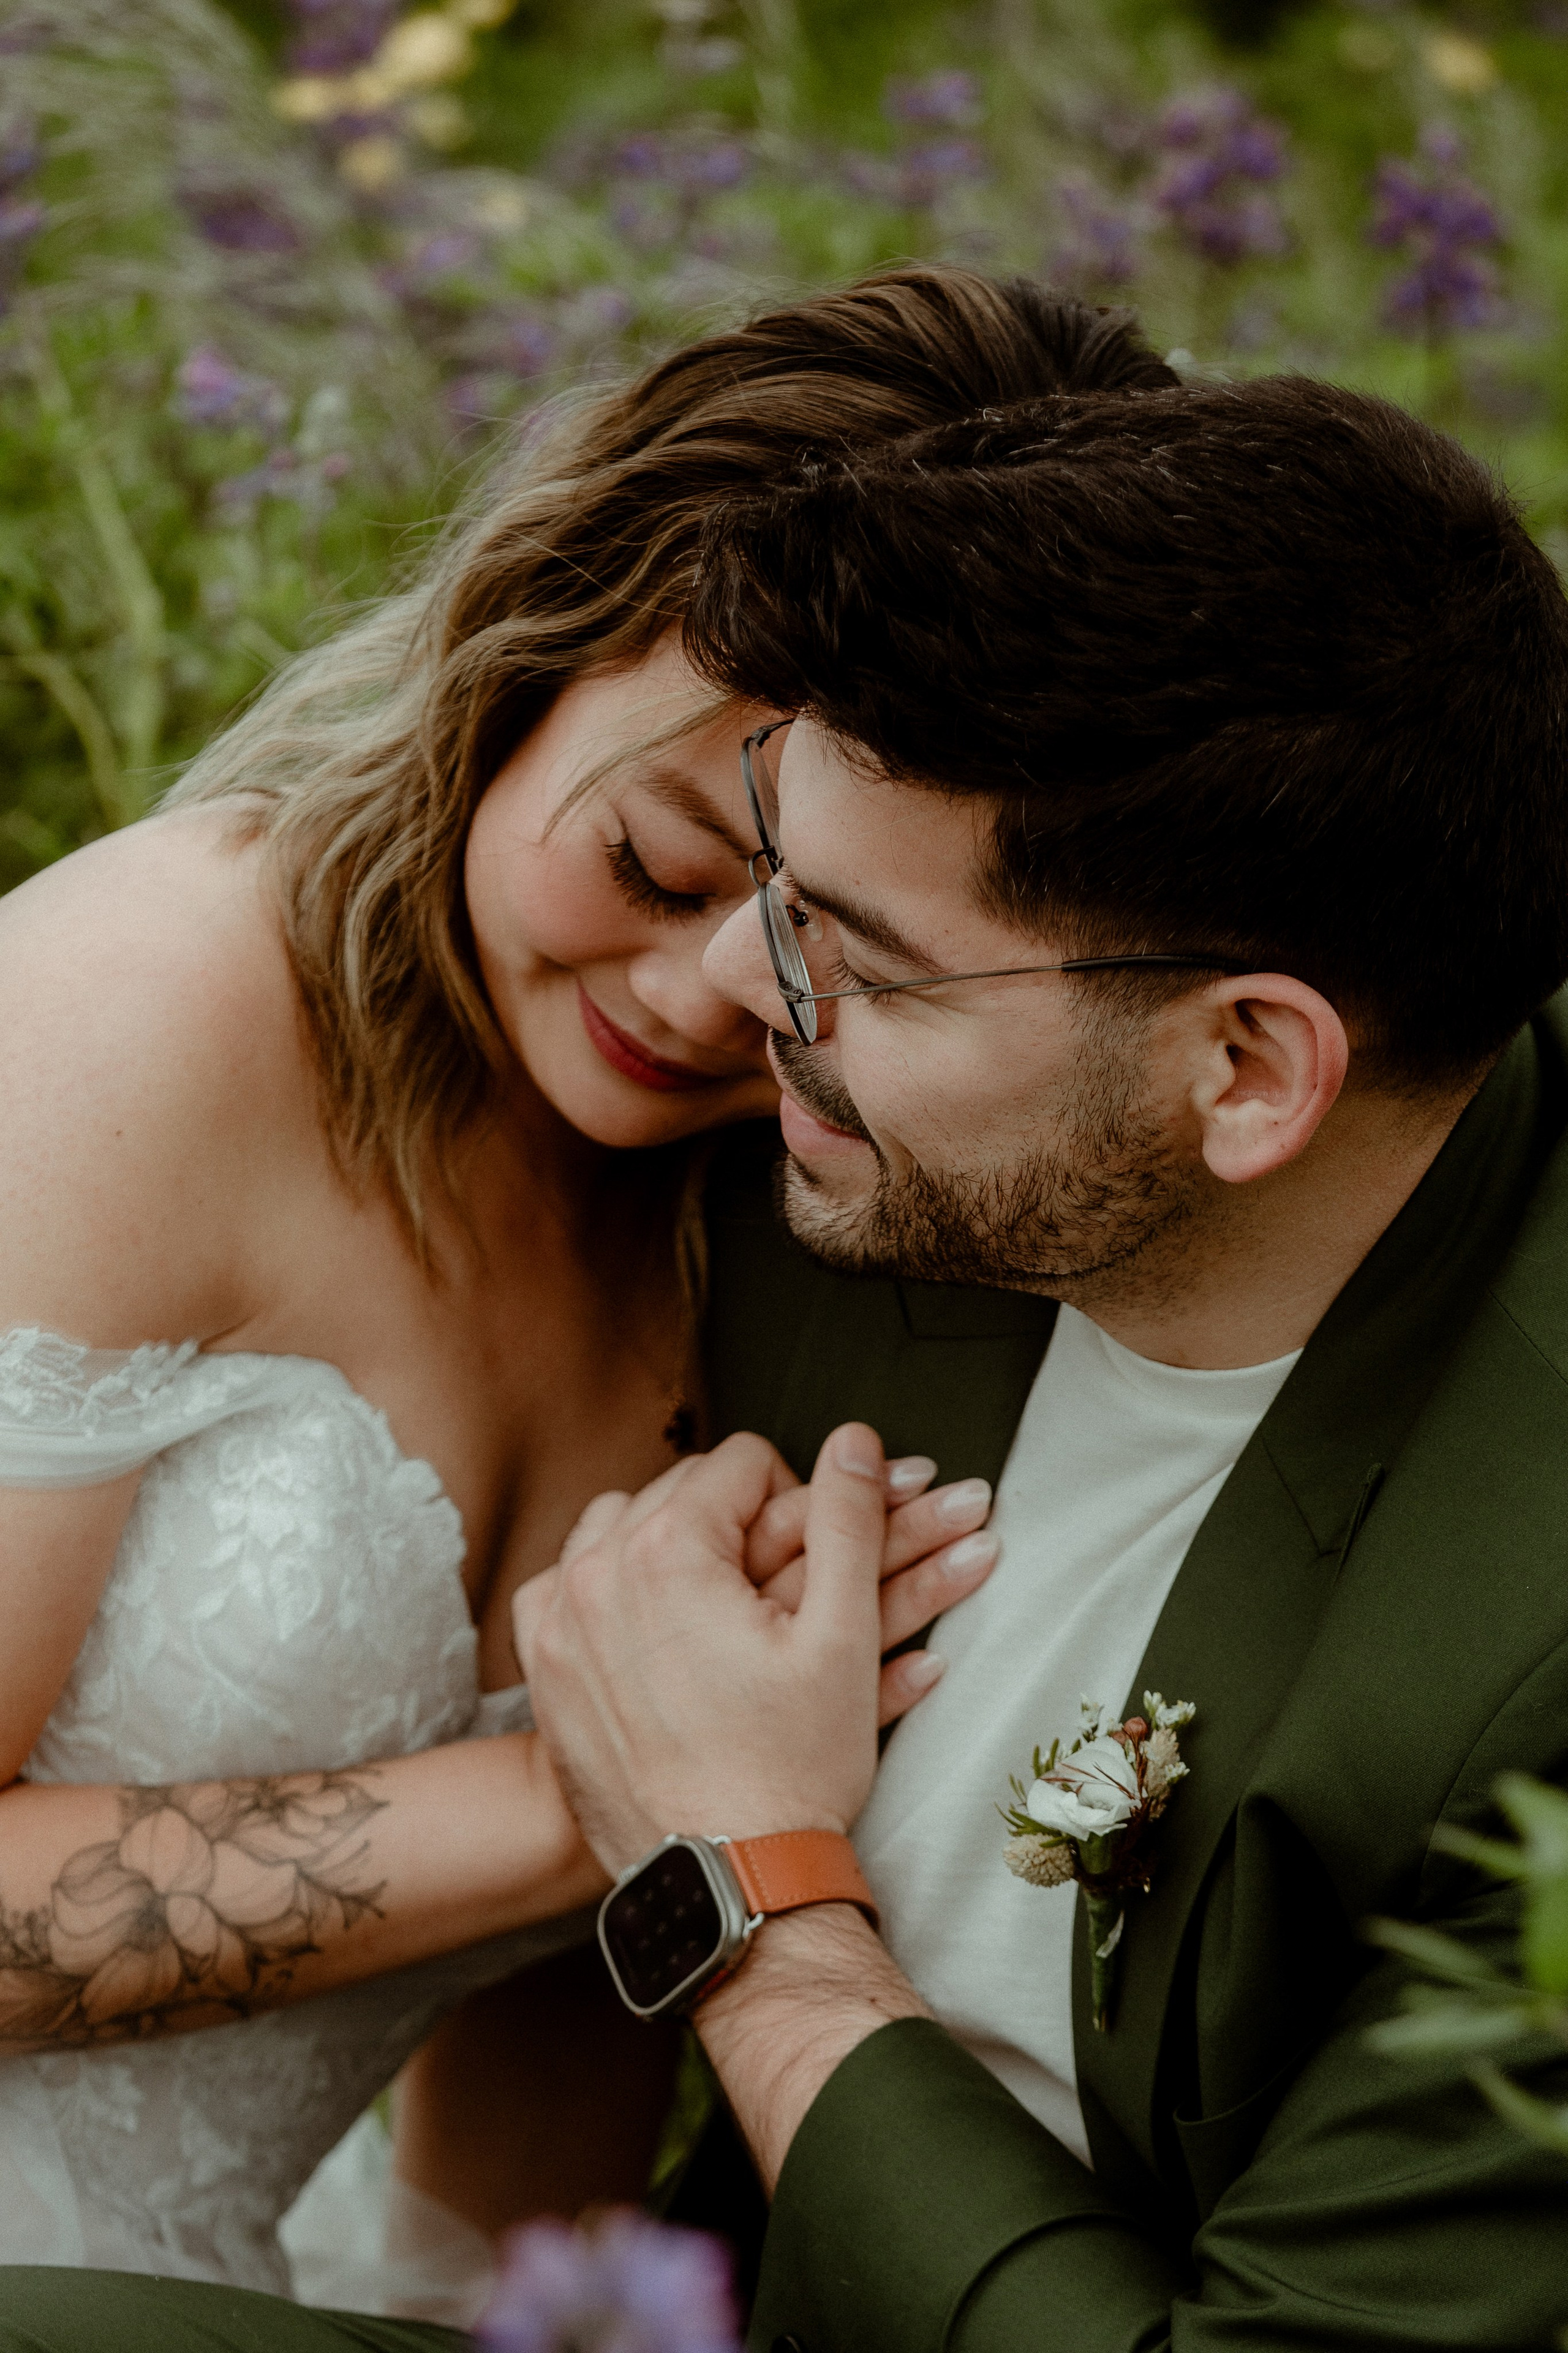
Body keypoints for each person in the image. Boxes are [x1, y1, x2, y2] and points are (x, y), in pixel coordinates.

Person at [9, 371, 1568, 2347]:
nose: (739, 990)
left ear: (1248, 1070)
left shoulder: (1519, 1625)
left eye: (861, 957)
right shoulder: (820, 1159)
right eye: (722, 859)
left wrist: (744, 1884)